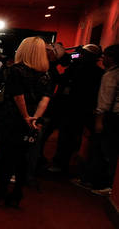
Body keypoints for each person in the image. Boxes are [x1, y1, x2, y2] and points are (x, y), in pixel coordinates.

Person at [0, 37, 53, 208]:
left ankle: (0, 193)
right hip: (34, 121)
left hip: (13, 118)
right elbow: (45, 100)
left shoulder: (16, 70)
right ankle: (17, 193)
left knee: (7, 157)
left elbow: (18, 96)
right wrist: (35, 119)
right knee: (24, 158)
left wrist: (25, 117)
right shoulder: (46, 74)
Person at [47, 44, 103, 175]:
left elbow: (61, 80)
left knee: (66, 137)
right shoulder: (98, 72)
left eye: (83, 53)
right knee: (69, 137)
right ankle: (61, 163)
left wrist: (53, 65)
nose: (80, 55)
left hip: (73, 109)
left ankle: (60, 164)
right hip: (76, 108)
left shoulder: (81, 69)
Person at [74, 44, 119, 195]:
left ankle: (100, 183)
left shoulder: (110, 75)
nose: (103, 58)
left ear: (112, 58)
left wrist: (99, 121)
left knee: (102, 150)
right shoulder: (109, 73)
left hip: (110, 117)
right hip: (113, 117)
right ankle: (104, 183)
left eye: (106, 55)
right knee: (107, 151)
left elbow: (105, 101)